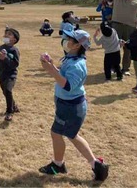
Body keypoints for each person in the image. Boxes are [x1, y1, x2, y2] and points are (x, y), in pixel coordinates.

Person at [39, 30, 109, 182]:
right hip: (68, 105)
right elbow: (64, 77)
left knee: (57, 133)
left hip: (70, 108)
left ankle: (59, 165)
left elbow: (68, 85)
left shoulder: (78, 65)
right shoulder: (71, 59)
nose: (66, 40)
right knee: (71, 135)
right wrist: (52, 66)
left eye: (70, 39)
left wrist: (51, 70)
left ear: (78, 45)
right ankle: (96, 165)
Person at [0, 27, 21, 121]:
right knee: (5, 92)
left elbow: (15, 64)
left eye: (9, 34)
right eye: (5, 34)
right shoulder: (2, 47)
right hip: (1, 74)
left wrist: (5, 59)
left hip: (11, 75)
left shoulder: (14, 50)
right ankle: (14, 106)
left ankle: (9, 111)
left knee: (8, 90)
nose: (6, 35)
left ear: (14, 39)